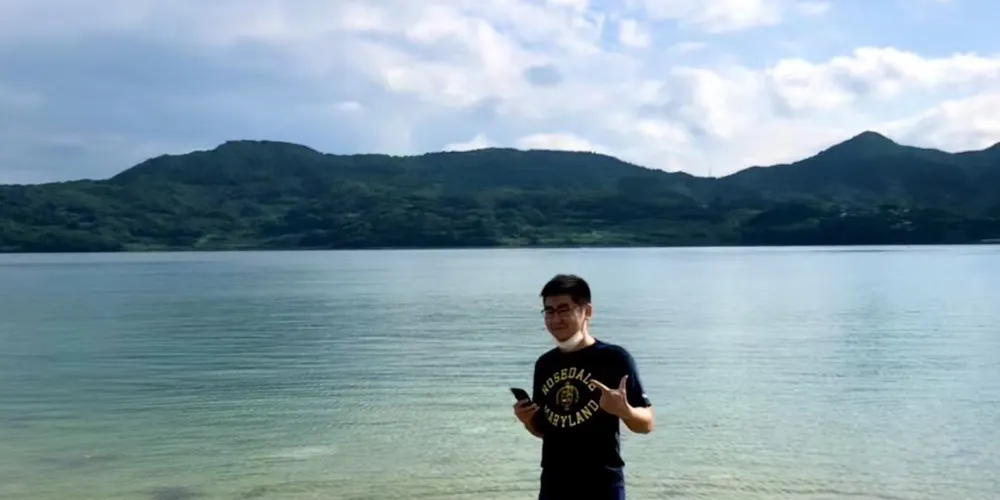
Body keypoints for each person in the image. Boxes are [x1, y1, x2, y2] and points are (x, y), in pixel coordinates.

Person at [513, 274, 654, 500]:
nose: (555, 319)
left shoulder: (614, 358)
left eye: (564, 310)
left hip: (602, 483)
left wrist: (625, 411)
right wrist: (528, 420)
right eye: (549, 311)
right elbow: (544, 431)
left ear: (587, 311)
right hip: (553, 482)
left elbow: (646, 424)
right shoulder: (545, 364)